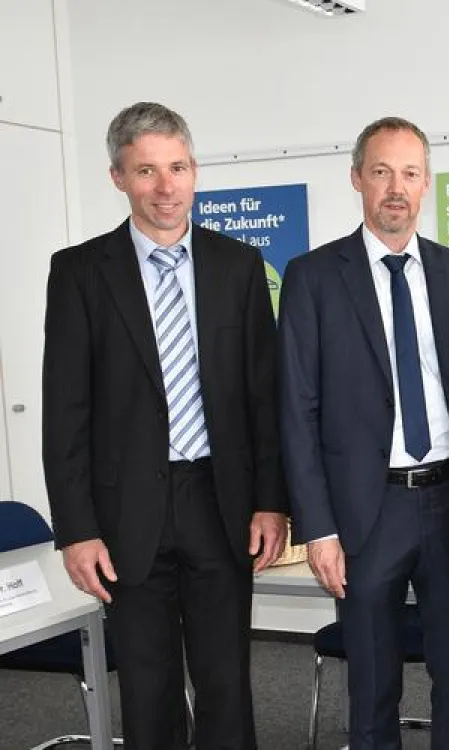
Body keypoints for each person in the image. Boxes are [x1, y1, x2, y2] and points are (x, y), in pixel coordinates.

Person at [42, 102, 288, 749]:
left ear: (195, 171)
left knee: (226, 681)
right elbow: (64, 411)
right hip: (127, 515)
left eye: (177, 167)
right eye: (146, 170)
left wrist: (270, 502)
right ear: (118, 177)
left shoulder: (238, 266)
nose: (165, 186)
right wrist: (77, 529)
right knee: (147, 687)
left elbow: (263, 399)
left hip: (221, 503)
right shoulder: (80, 273)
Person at [278, 116, 449, 749]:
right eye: (381, 172)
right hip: (367, 509)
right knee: (371, 683)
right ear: (356, 179)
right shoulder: (312, 278)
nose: (396, 188)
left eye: (410, 173)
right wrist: (317, 527)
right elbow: (297, 410)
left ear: (426, 184)